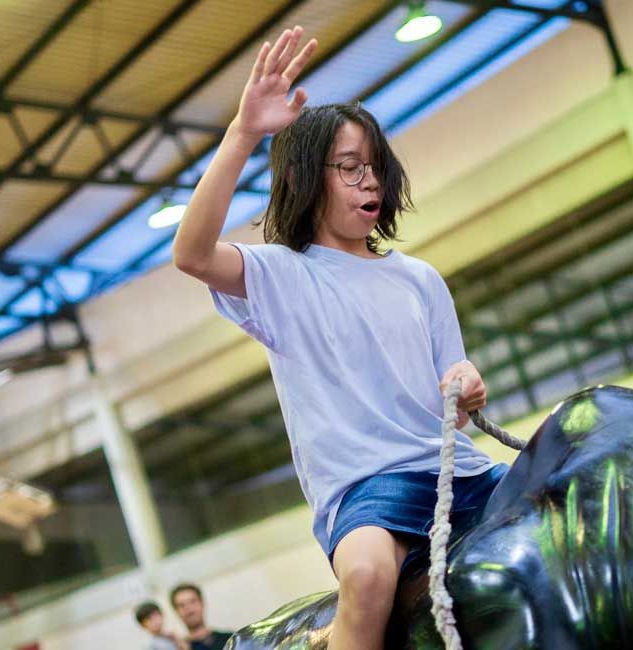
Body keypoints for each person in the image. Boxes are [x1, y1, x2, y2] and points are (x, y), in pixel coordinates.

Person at [172, 25, 507, 650]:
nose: (369, 182)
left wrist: (465, 384)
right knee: (367, 573)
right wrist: (243, 130)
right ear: (306, 180)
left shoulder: (420, 279)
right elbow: (191, 253)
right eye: (349, 168)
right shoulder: (281, 275)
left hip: (455, 472)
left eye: (375, 168)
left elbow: (454, 388)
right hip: (365, 487)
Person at [169, 583, 233, 650]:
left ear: (202, 603)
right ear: (176, 612)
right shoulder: (178, 647)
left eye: (192, 601)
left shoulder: (231, 640)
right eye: (181, 605)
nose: (188, 608)